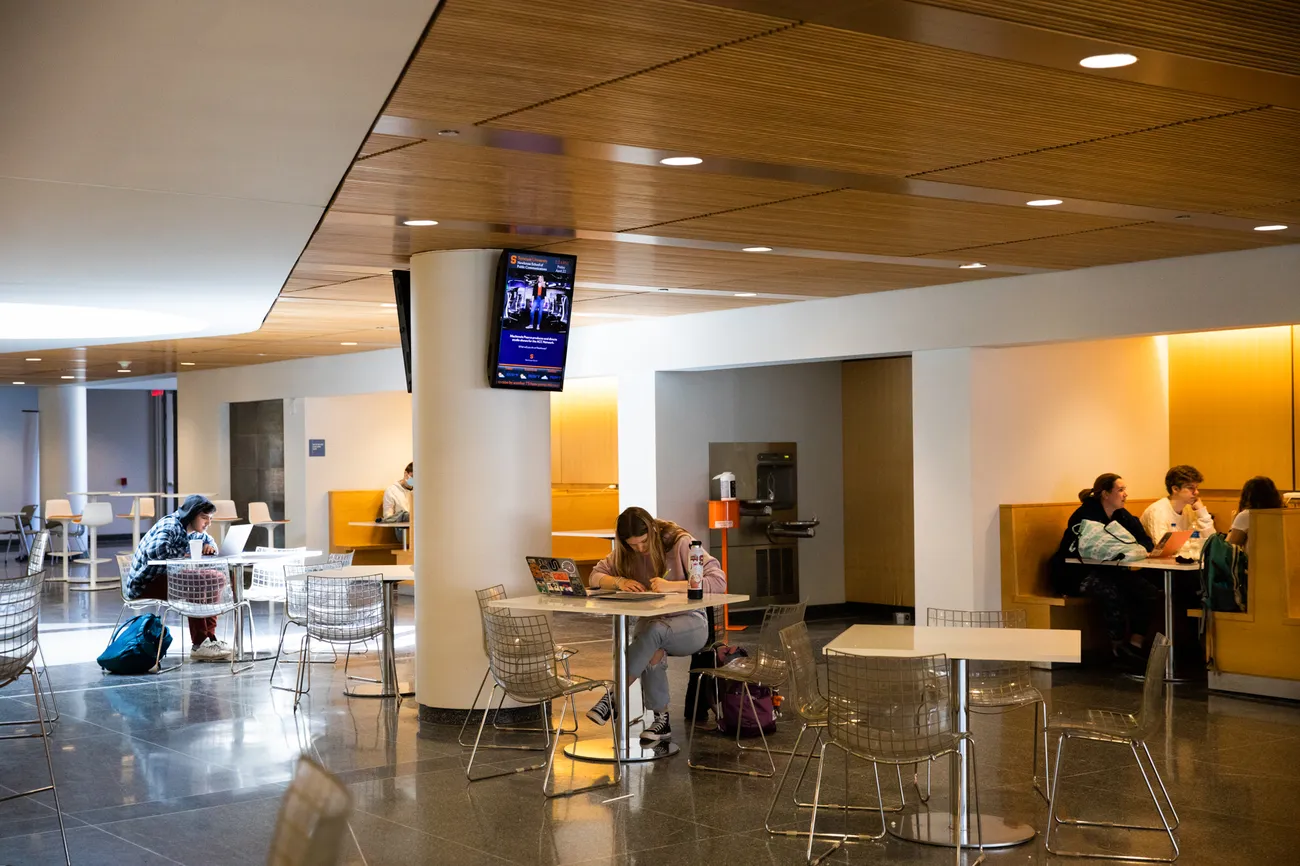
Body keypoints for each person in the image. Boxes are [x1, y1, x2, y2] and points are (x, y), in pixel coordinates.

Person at [584, 507, 726, 743]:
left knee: (653, 632)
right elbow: (595, 577)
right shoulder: (625, 553)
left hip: (691, 623)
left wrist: (672, 586)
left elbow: (718, 581)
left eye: (643, 541)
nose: (640, 549)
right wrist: (620, 581)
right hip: (652, 626)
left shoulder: (680, 542)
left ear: (651, 530)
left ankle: (613, 697)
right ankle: (661, 721)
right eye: (633, 545)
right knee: (652, 644)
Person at [1050, 474, 1157, 665]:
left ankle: (1135, 644)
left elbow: (1145, 541)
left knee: (1148, 591)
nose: (1126, 495)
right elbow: (1087, 550)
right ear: (1106, 494)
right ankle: (1117, 649)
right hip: (1076, 574)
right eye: (1121, 490)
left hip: (1112, 571)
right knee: (1112, 592)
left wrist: (1134, 548)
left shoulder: (1122, 516)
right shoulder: (1084, 517)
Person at [124, 495, 229, 661]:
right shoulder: (170, 525)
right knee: (197, 581)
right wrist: (187, 553)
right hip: (146, 584)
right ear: (190, 515)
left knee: (216, 578)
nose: (208, 523)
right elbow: (156, 553)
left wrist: (209, 547)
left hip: (168, 579)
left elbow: (210, 542)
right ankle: (199, 643)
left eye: (210, 519)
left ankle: (210, 639)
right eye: (204, 518)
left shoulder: (196, 532)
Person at [1140, 464, 1215, 544]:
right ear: (1175, 489)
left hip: (1184, 555)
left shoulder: (1189, 509)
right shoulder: (1157, 511)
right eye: (1190, 488)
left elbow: (1211, 541)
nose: (1196, 492)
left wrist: (1202, 512)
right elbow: (1163, 547)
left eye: (1196, 487)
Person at [1226, 475, 1284, 548]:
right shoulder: (1283, 515)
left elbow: (1229, 549)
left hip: (1253, 559)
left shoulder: (1246, 516)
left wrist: (1232, 525)